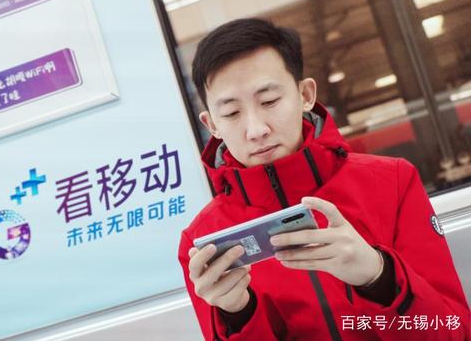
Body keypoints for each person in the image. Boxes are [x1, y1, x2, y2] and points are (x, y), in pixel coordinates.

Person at [178, 18, 470, 340]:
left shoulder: (393, 182)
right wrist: (238, 317)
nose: (256, 129)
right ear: (212, 125)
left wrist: (379, 276)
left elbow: (455, 332)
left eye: (269, 101)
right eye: (232, 113)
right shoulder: (203, 241)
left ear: (305, 94)